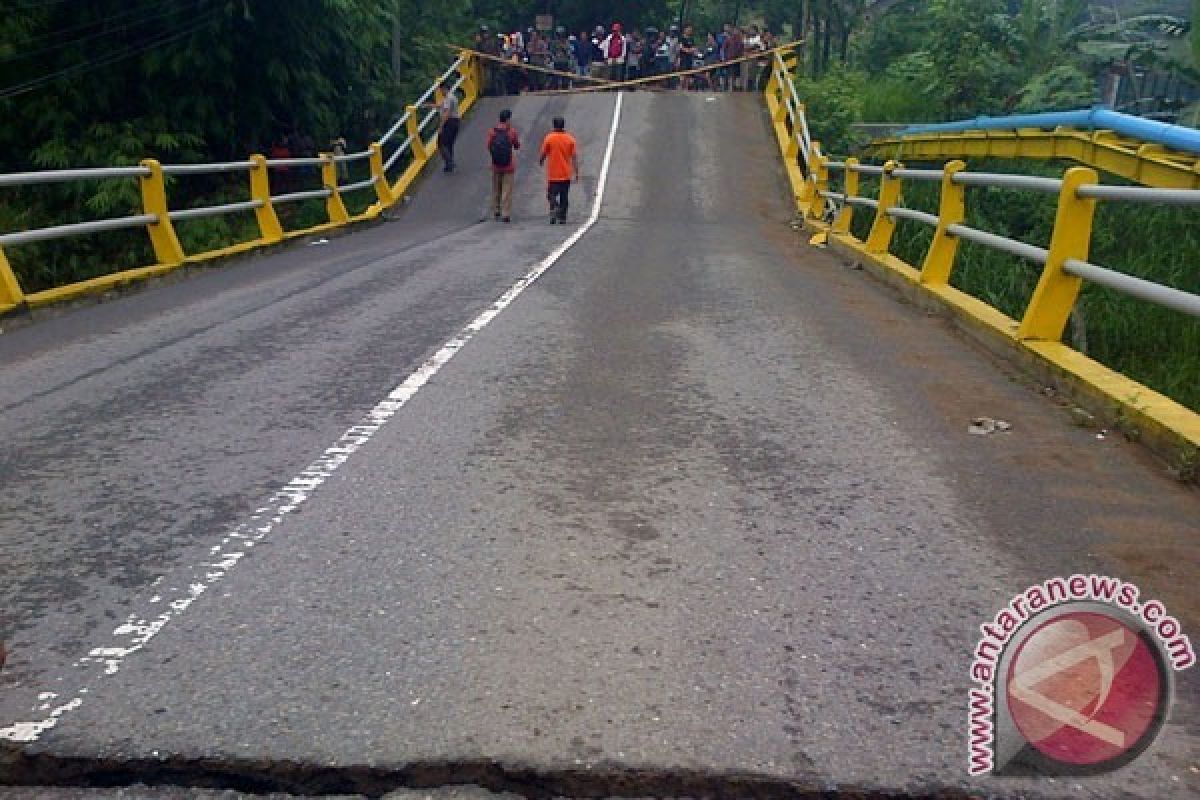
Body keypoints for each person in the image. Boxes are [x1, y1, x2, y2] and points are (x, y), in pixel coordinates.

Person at [539, 116, 579, 225]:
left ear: (554, 125)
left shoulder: (549, 138)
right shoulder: (570, 139)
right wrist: (576, 172)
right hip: (566, 174)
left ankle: (554, 211)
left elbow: (543, 153)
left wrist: (541, 161)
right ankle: (562, 217)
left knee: (551, 195)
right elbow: (574, 157)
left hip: (553, 174)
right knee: (564, 196)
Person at [487, 109, 520, 222]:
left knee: (496, 188)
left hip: (496, 165)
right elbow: (517, 145)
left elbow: (488, 145)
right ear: (507, 120)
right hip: (508, 165)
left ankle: (496, 210)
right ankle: (506, 213)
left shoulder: (492, 131)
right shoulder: (511, 132)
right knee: (507, 189)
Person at [436, 79, 460, 172]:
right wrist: (428, 106)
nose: (440, 92)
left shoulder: (448, 98)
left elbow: (447, 113)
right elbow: (440, 106)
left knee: (441, 144)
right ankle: (449, 164)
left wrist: (441, 126)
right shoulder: (452, 97)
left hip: (449, 122)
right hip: (455, 122)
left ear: (444, 88)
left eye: (441, 90)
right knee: (449, 143)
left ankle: (450, 163)